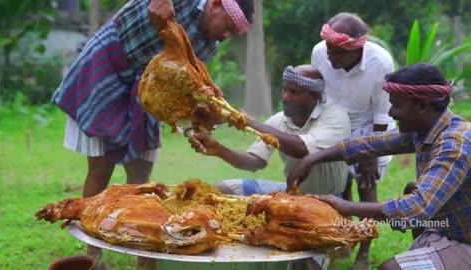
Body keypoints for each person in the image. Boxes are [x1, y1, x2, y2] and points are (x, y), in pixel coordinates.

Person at [51, 0, 254, 269]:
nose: (226, 36)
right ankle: (92, 258)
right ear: (215, 5)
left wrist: (207, 114)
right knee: (100, 169)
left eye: (232, 33)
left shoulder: (206, 47)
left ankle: (146, 259)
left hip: (147, 87)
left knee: (141, 179)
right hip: (109, 62)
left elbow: (181, 87)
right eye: (227, 26)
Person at [287, 62, 471, 270]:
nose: (391, 113)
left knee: (390, 268)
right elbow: (370, 144)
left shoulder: (454, 145)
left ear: (422, 106)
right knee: (413, 186)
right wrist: (312, 158)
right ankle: (428, 255)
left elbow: (417, 208)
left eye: (397, 105)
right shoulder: (426, 129)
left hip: (465, 240)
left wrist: (346, 206)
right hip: (451, 228)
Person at [311, 12, 396, 267]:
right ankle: (343, 240)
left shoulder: (381, 62)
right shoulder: (320, 52)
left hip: (370, 126)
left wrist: (371, 154)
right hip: (335, 122)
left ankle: (364, 251)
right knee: (340, 185)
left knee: (366, 187)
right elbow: (316, 90)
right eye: (328, 49)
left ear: (355, 51)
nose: (329, 56)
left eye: (336, 52)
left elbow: (383, 113)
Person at [189, 65, 351, 196]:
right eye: (284, 90)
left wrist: (249, 122)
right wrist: (218, 149)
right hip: (293, 194)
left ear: (314, 97)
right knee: (221, 189)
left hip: (329, 199)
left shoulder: (335, 116)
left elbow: (302, 149)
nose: (285, 97)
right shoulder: (278, 120)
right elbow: (254, 161)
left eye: (294, 92)